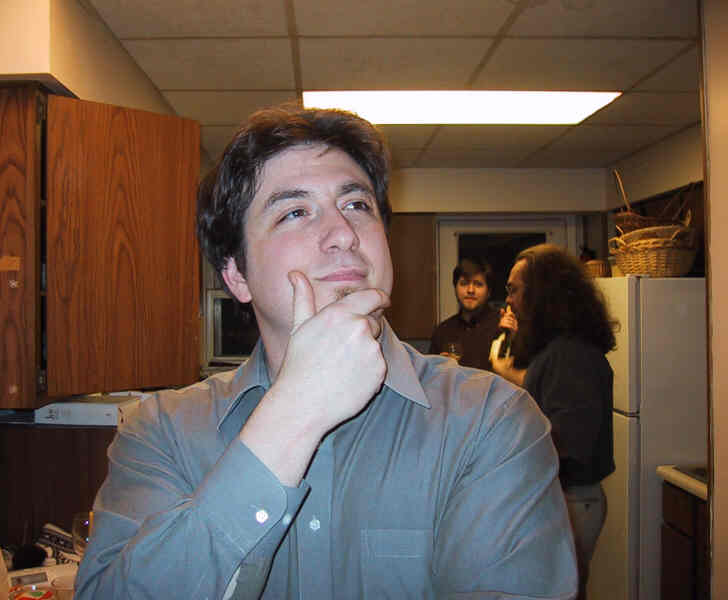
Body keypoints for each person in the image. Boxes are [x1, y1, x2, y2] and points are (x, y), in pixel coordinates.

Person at [75, 103, 577, 599]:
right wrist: (293, 413)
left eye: (357, 205)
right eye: (294, 212)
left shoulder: (493, 421)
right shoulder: (160, 433)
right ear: (237, 274)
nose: (344, 234)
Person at [491, 243, 617, 600]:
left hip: (572, 501)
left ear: (541, 293)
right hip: (565, 497)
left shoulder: (571, 353)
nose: (509, 300)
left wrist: (508, 459)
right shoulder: (558, 347)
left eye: (514, 289)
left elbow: (570, 444)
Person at [429, 257, 501, 370]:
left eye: (478, 284)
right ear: (455, 287)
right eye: (464, 284)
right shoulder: (442, 331)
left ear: (489, 291)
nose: (470, 290)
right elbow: (430, 376)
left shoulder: (501, 326)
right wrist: (439, 368)